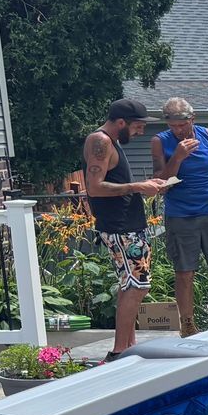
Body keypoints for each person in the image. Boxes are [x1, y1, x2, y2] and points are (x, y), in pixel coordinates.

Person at [81, 99, 167, 359]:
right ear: (121, 123)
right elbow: (94, 187)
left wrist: (145, 185)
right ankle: (120, 351)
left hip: (129, 223)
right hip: (119, 227)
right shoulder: (101, 141)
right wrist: (138, 186)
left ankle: (129, 345)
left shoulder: (111, 141)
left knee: (132, 284)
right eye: (138, 126)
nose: (141, 132)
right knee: (136, 285)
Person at [152, 97, 208, 334]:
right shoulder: (160, 142)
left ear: (192, 119)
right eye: (172, 126)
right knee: (185, 272)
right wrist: (177, 157)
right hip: (181, 216)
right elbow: (161, 184)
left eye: (182, 125)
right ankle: (188, 325)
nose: (177, 130)